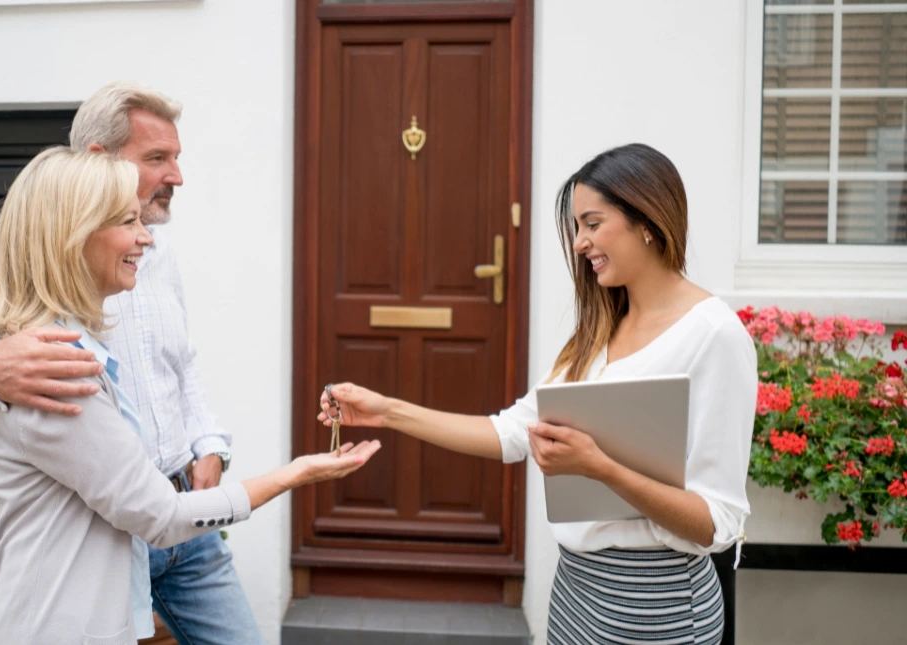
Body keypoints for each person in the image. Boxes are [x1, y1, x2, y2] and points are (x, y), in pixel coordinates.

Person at [318, 143, 756, 645]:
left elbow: (716, 523)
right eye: (576, 228)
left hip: (653, 605)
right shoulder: (600, 329)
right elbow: (510, 432)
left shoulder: (715, 336)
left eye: (593, 224)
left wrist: (602, 468)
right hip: (576, 591)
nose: (579, 243)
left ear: (648, 220)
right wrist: (387, 411)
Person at [0, 146, 380, 645]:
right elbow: (160, 517)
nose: (146, 237)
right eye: (128, 222)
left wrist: (208, 441)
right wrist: (296, 472)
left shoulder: (70, 344)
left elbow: (183, 362)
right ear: (73, 237)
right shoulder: (55, 369)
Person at [0, 83, 264, 643]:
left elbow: (182, 366)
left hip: (188, 520)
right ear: (99, 162)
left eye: (176, 158)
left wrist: (209, 444)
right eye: (157, 159)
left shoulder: (157, 251)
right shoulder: (24, 260)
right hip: (109, 532)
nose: (176, 176)